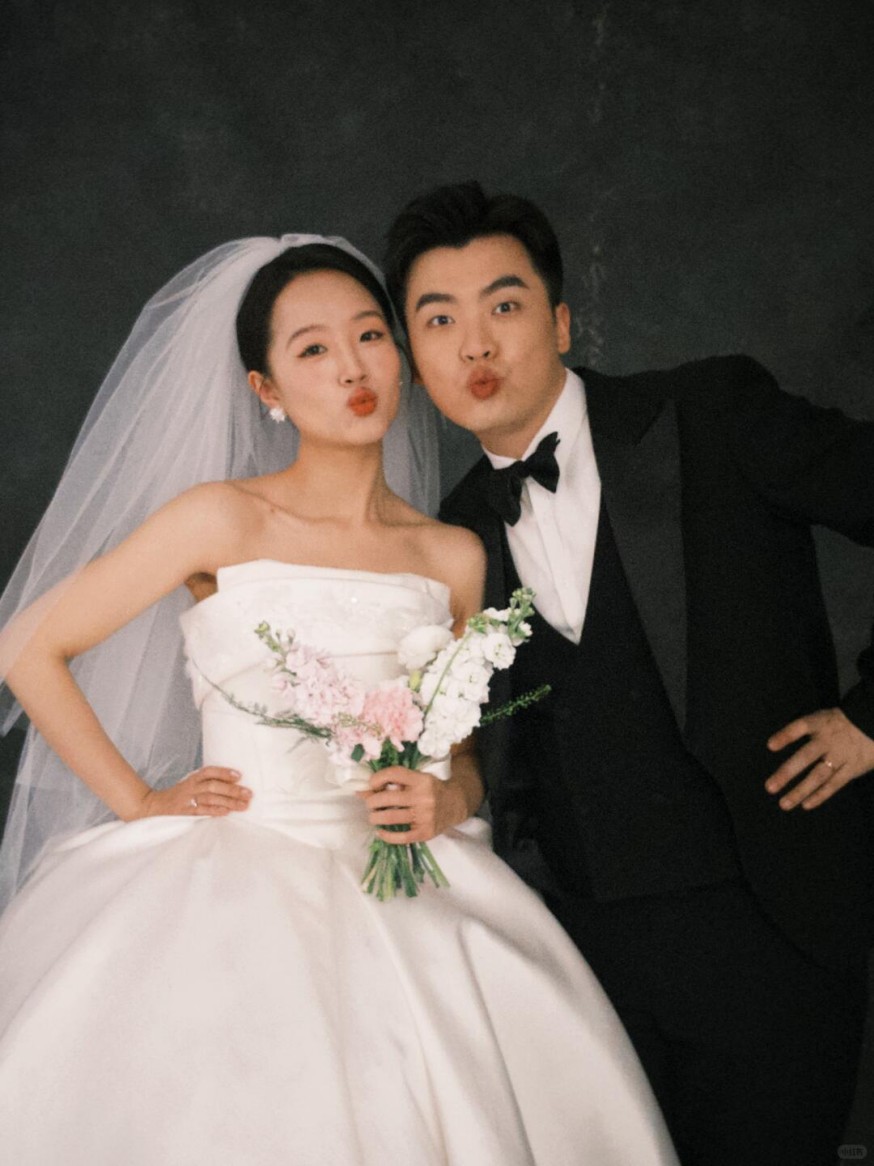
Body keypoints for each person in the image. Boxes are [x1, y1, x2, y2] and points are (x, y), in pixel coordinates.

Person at [0, 233, 678, 1165]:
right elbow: (28, 647)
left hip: (417, 886)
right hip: (232, 883)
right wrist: (141, 801)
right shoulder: (220, 517)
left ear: (400, 358)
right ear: (266, 388)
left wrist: (450, 796)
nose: (352, 367)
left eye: (369, 336)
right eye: (312, 349)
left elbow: (464, 749)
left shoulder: (452, 552)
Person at [383, 180, 874, 1166]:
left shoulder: (713, 412)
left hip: (772, 923)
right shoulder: (448, 534)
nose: (475, 345)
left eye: (503, 305)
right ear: (414, 358)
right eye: (439, 320)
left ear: (561, 321)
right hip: (581, 969)